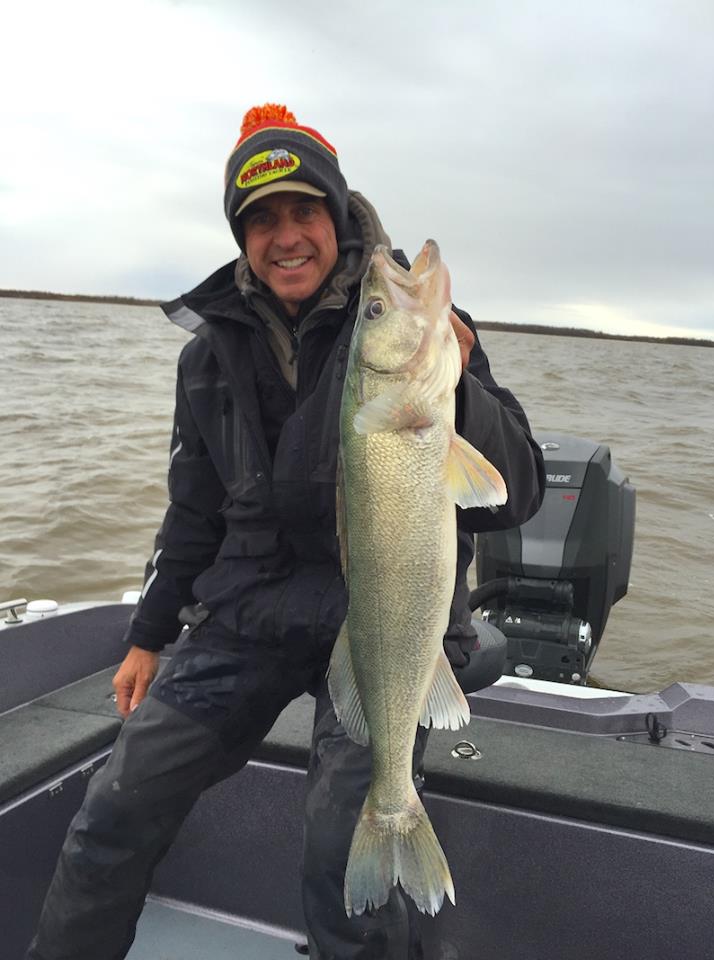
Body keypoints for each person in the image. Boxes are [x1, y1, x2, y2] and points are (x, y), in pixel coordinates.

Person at [26, 103, 545, 960]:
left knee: (343, 862)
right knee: (111, 811)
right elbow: (192, 510)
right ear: (241, 238)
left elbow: (512, 491)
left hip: (377, 619)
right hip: (251, 612)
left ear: (337, 215)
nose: (285, 236)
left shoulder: (420, 336)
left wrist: (458, 384)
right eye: (259, 220)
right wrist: (149, 637)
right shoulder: (209, 354)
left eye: (304, 210)